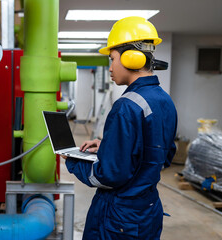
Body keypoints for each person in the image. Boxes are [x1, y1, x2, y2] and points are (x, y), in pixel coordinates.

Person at [63, 16, 177, 239]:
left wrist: (74, 161)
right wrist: (110, 146)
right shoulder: (165, 100)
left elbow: (109, 175)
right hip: (148, 208)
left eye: (112, 58)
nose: (111, 67)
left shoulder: (126, 106)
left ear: (131, 59)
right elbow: (163, 154)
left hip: (120, 217)